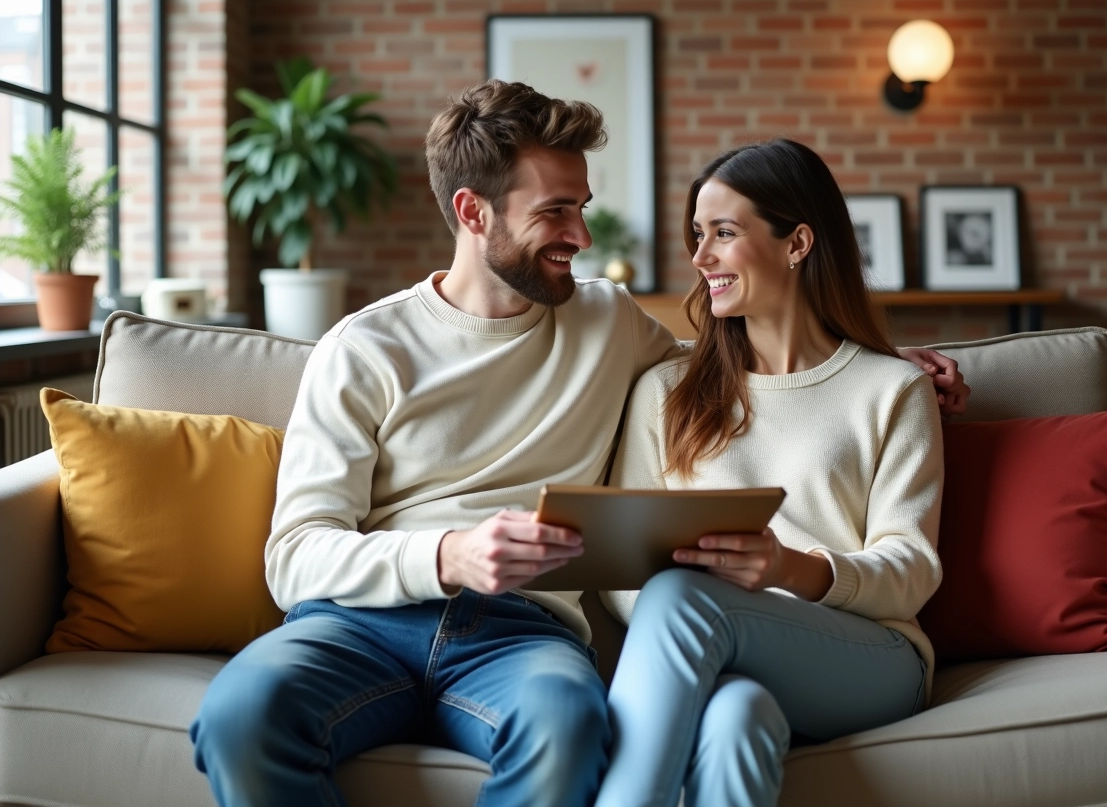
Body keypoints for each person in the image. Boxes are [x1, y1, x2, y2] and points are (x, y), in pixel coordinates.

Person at [189, 80, 968, 807]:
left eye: (583, 207)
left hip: (519, 635)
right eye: (556, 213)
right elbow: (292, 556)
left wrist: (876, 364)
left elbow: (763, 374)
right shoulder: (363, 348)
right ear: (473, 213)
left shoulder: (610, 323)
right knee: (241, 715)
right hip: (357, 623)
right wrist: (446, 556)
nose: (582, 235)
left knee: (567, 726)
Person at [596, 138, 947, 807]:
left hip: (868, 655)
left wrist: (789, 570)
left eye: (723, 233)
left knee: (681, 595)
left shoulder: (893, 389)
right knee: (736, 718)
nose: (700, 258)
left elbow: (911, 569)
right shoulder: (666, 392)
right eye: (697, 235)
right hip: (714, 653)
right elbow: (622, 569)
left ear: (797, 242)